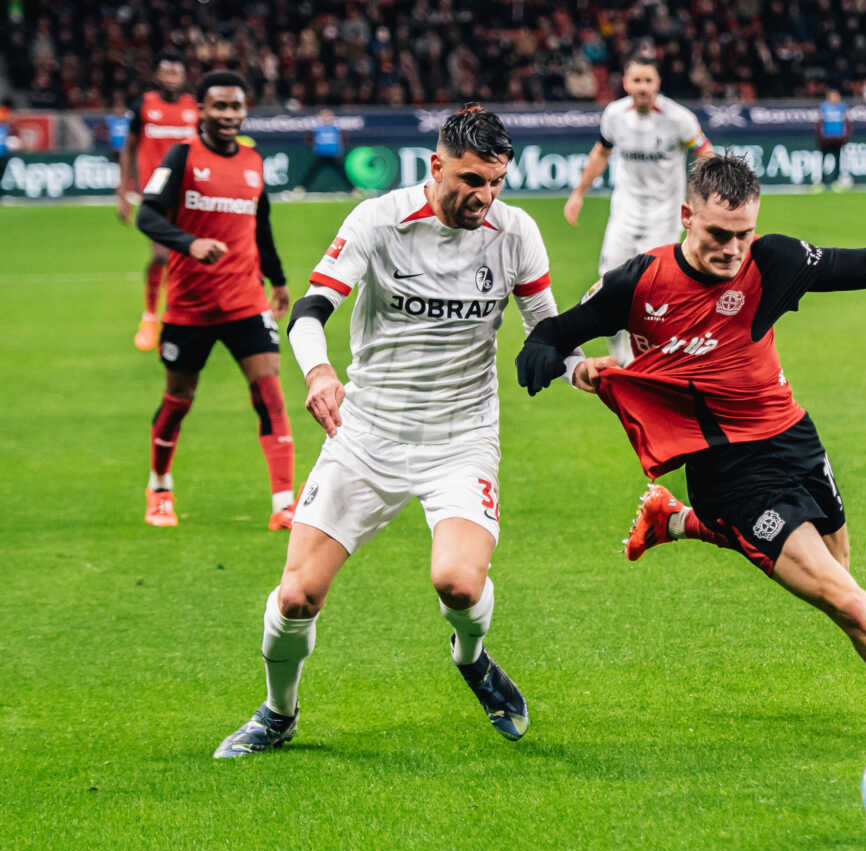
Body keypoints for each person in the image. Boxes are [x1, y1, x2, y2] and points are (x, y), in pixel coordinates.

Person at [516, 155, 866, 758]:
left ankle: (679, 520)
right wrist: (545, 348)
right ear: (687, 217)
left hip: (794, 438)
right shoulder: (641, 283)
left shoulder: (773, 261)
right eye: (717, 235)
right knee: (851, 606)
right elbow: (565, 327)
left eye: (743, 234)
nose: (732, 250)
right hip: (728, 471)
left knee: (844, 575)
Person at [213, 106, 581, 758]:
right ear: (435, 165)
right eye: (472, 179)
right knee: (297, 595)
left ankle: (471, 658)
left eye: (496, 181)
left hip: (461, 437)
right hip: (367, 433)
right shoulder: (378, 221)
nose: (485, 196)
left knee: (459, 583)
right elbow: (308, 312)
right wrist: (320, 370)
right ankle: (277, 712)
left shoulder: (515, 231)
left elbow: (548, 325)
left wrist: (572, 362)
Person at [134, 70, 294, 530]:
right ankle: (159, 488)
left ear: (245, 112)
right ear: (200, 110)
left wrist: (278, 279)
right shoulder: (183, 156)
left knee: (270, 394)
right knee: (179, 398)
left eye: (235, 107)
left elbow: (260, 225)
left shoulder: (253, 162)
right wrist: (189, 243)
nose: (228, 115)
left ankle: (284, 503)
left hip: (246, 300)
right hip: (190, 306)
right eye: (219, 107)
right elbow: (147, 214)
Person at [563, 56, 714, 364]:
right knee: (607, 285)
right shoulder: (614, 115)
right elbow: (601, 153)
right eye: (637, 81)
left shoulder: (679, 118)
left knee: (652, 292)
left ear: (658, 83)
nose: (642, 87)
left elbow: (706, 154)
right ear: (626, 83)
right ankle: (621, 361)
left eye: (648, 81)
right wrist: (578, 193)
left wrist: (700, 203)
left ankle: (651, 360)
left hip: (664, 216)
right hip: (624, 214)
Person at [118, 53, 199, 352]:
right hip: (154, 192)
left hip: (190, 193)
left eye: (175, 72)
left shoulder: (195, 108)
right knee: (162, 256)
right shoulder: (143, 106)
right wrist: (123, 192)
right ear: (157, 75)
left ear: (183, 76)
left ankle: (178, 316)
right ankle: (150, 316)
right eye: (165, 72)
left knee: (189, 259)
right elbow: (128, 148)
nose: (170, 77)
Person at [295, 109, 354, 194]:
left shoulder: (336, 129)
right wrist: (313, 146)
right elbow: (309, 140)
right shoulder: (317, 129)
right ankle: (301, 188)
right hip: (321, 155)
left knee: (343, 173)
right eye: (324, 116)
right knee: (311, 173)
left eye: (328, 116)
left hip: (333, 155)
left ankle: (354, 189)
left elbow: (343, 140)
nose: (326, 118)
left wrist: (339, 148)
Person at [813, 88, 852, 192]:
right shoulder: (824, 107)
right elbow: (819, 123)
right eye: (833, 96)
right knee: (823, 161)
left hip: (838, 139)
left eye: (836, 96)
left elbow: (846, 123)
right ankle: (822, 182)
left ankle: (836, 182)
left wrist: (845, 137)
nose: (835, 98)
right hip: (826, 139)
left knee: (838, 161)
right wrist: (821, 137)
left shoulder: (842, 107)